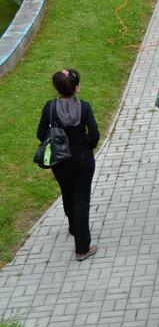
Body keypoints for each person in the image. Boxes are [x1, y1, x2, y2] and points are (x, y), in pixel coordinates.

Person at [38, 69, 100, 261]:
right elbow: (95, 135)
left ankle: (74, 226)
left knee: (67, 192)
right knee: (81, 199)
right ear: (77, 87)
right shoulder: (85, 107)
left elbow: (41, 134)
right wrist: (87, 146)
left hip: (60, 160)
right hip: (82, 159)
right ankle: (82, 248)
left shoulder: (50, 108)